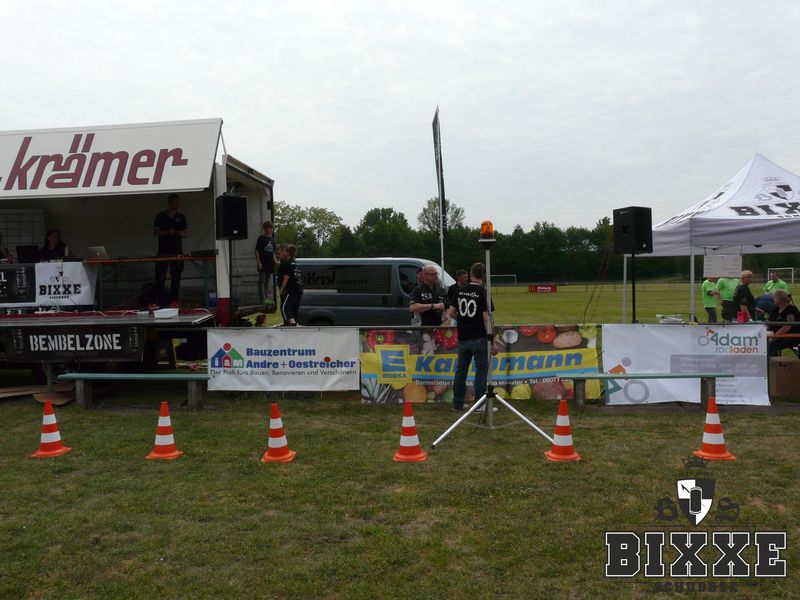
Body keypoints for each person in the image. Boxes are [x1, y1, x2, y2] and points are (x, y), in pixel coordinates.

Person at [447, 262, 499, 411]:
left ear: (470, 274)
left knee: (461, 370)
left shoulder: (460, 290)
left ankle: (457, 403)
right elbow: (486, 319)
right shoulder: (483, 292)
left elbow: (450, 313)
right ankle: (479, 405)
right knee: (481, 371)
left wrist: (463, 319)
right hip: (479, 337)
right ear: (484, 276)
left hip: (463, 337)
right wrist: (493, 340)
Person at [153, 194, 188, 307]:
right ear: (169, 202)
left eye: (179, 202)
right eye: (175, 202)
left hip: (177, 251)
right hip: (163, 251)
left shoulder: (181, 217)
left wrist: (180, 233)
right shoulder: (160, 215)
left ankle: (174, 301)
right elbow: (155, 232)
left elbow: (185, 233)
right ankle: (160, 301)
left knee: (176, 277)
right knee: (160, 277)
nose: (178, 204)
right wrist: (167, 232)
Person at [767, 290, 800, 357]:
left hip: (792, 337)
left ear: (780, 299)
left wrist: (773, 337)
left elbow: (786, 327)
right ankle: (773, 360)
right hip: (778, 336)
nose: (773, 299)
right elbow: (769, 322)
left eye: (775, 297)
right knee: (767, 343)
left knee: (772, 344)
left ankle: (771, 360)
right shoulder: (776, 309)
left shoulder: (791, 310)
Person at [277, 244, 303, 326]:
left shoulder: (287, 263)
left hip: (292, 289)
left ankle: (292, 323)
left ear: (288, 253)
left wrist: (282, 288)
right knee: (294, 308)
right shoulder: (294, 262)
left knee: (285, 308)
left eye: (285, 251)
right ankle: (295, 322)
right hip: (299, 288)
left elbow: (286, 276)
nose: (283, 252)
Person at [255, 221, 276, 307]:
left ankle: (266, 298)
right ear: (265, 229)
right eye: (269, 228)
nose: (271, 230)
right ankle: (262, 299)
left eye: (272, 228)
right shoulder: (261, 238)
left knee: (267, 282)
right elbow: (257, 250)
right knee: (262, 281)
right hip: (263, 263)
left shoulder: (272, 239)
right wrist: (258, 262)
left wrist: (275, 259)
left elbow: (273, 251)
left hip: (270, 264)